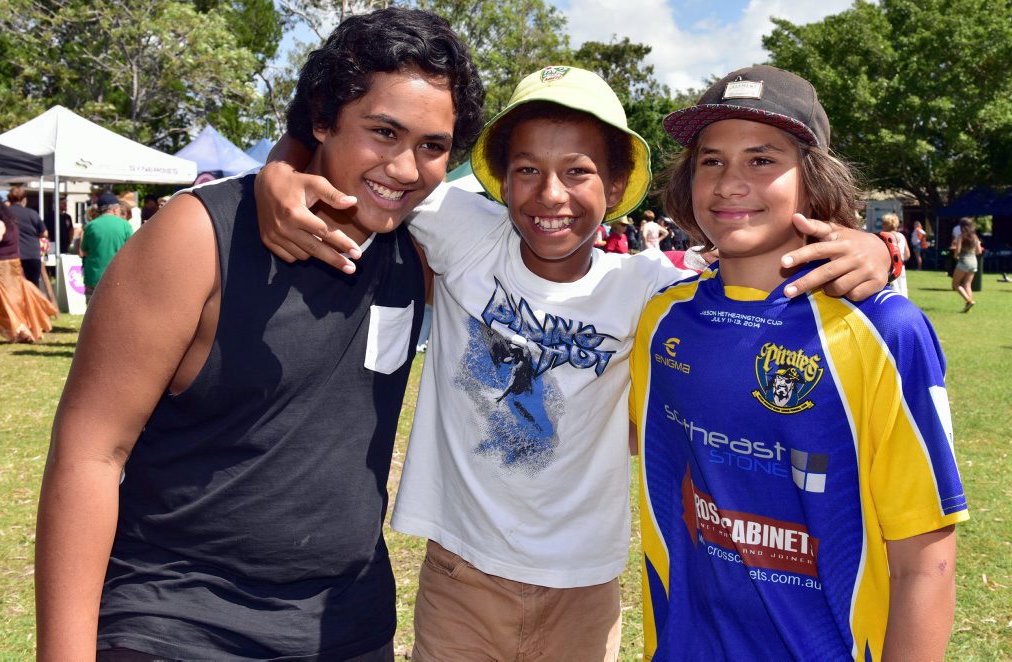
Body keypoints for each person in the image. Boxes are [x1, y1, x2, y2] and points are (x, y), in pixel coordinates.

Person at [255, 66, 895, 661]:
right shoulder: (466, 233)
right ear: (500, 180)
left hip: (584, 589)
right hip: (460, 575)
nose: (550, 194)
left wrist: (873, 248)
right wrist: (278, 171)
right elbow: (356, 165)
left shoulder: (651, 287)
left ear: (615, 186)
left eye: (579, 171)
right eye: (527, 170)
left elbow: (753, 262)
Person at [35, 7, 484, 661]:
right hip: (178, 624)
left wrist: (286, 162)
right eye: (383, 132)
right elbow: (90, 455)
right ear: (324, 117)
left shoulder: (421, 253)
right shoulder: (198, 239)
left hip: (348, 628)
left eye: (432, 146)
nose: (407, 168)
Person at [630, 65, 968, 660]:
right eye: (711, 160)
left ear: (812, 181)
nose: (731, 182)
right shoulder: (662, 318)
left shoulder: (887, 330)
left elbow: (927, 561)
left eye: (762, 160)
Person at [0, 192, 56, 342]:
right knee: (9, 301)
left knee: (0, 302)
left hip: (0, 269)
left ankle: (21, 330)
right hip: (12, 267)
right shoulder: (11, 222)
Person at [78, 192, 133, 304]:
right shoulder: (125, 225)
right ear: (115, 209)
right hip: (118, 277)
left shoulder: (90, 226)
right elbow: (132, 251)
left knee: (92, 314)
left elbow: (83, 251)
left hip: (94, 276)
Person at [6, 185, 49, 289]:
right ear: (24, 199)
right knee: (33, 288)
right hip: (32, 255)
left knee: (14, 288)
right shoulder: (32, 213)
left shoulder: (5, 213)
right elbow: (44, 233)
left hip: (13, 255)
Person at [951, 216, 983, 312]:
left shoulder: (961, 236)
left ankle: (969, 301)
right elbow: (979, 251)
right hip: (974, 262)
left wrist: (956, 255)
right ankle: (968, 307)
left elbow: (958, 250)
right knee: (967, 285)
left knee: (955, 284)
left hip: (964, 261)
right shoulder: (975, 237)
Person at [880, 213, 909, 297]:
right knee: (902, 290)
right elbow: (907, 255)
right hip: (901, 267)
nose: (882, 225)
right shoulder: (902, 236)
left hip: (889, 267)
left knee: (891, 292)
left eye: (884, 223)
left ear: (889, 224)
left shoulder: (884, 236)